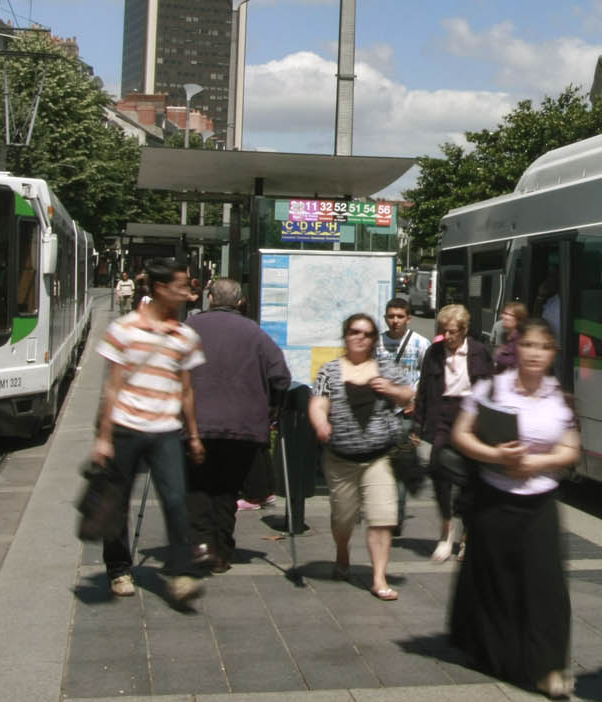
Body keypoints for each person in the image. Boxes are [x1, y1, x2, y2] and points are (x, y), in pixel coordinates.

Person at [449, 317, 580, 698]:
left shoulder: (560, 397)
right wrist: (495, 454)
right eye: (528, 345)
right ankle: (494, 655)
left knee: (547, 586)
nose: (535, 354)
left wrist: (534, 464)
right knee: (496, 580)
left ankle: (548, 668)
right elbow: (461, 434)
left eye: (543, 347)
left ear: (552, 354)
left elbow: (570, 449)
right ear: (516, 348)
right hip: (495, 497)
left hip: (539, 502)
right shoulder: (494, 388)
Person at [94, 258, 209, 606]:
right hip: (126, 428)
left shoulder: (185, 336)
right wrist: (103, 436)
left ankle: (179, 572)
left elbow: (186, 390)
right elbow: (111, 388)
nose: (189, 289)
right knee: (117, 503)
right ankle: (118, 568)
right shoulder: (123, 330)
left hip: (165, 431)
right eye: (182, 284)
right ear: (161, 289)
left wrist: (193, 435)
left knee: (175, 501)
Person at [183, 278, 290, 573]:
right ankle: (220, 551)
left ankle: (202, 543)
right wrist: (272, 408)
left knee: (197, 485)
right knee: (227, 490)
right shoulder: (255, 333)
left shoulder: (188, 329)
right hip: (241, 427)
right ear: (240, 301)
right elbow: (281, 376)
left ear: (209, 297)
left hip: (194, 424)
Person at [309, 312, 414, 599]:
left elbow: (408, 395)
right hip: (341, 459)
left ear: (373, 339)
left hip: (378, 457)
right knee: (343, 518)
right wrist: (321, 422)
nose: (360, 337)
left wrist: (390, 389)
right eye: (355, 332)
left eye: (367, 334)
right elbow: (318, 402)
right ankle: (342, 552)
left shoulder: (384, 367)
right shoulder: (330, 370)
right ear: (346, 335)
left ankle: (378, 578)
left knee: (382, 516)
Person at [414, 303, 494, 562]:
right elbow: (424, 389)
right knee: (439, 472)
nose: (446, 337)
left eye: (452, 332)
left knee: (471, 479)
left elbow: (490, 389)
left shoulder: (480, 352)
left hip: (471, 417)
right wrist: (418, 425)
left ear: (464, 330)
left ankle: (467, 536)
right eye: (443, 331)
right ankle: (445, 532)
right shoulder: (434, 352)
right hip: (442, 415)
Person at [378, 296, 430, 529]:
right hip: (381, 413)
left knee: (401, 464)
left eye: (400, 316)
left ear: (409, 318)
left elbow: (427, 377)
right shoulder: (377, 344)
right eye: (391, 316)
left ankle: (395, 518)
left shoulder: (420, 343)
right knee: (379, 465)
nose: (395, 321)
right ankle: (380, 512)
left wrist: (417, 403)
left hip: (407, 413)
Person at [489, 300, 526, 370]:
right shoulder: (507, 337)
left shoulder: (520, 342)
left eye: (509, 314)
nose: (504, 316)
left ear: (519, 319)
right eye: (504, 313)